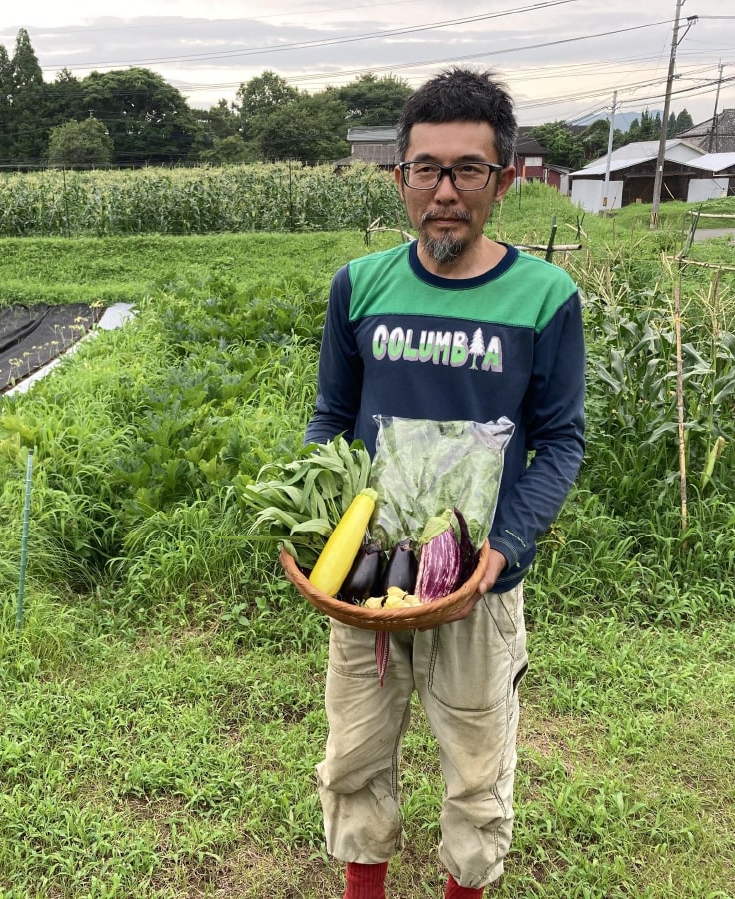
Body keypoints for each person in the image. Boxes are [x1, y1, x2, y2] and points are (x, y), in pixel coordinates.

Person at [304, 68, 586, 899]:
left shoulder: (545, 297)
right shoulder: (361, 286)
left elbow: (563, 440)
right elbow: (330, 414)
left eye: (468, 169)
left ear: (503, 181)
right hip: (367, 576)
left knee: (476, 769)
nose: (445, 192)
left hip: (476, 582)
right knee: (355, 756)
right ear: (401, 179)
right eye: (425, 168)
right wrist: (324, 511)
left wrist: (506, 542)